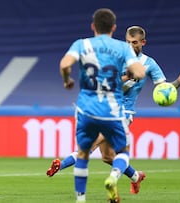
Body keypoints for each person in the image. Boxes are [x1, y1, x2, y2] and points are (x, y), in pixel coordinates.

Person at [48, 25, 180, 196]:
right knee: (107, 157)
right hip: (105, 108)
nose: (130, 45)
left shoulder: (149, 64)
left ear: (143, 42)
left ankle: (63, 165)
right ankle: (136, 177)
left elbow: (163, 88)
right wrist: (127, 76)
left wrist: (178, 82)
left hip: (123, 113)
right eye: (127, 42)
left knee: (91, 142)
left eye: (134, 42)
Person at [59, 8, 146, 203]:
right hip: (112, 110)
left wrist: (66, 81)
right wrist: (132, 73)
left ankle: (80, 200)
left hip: (86, 110)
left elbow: (65, 64)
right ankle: (114, 176)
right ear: (114, 28)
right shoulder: (123, 48)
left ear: (93, 26)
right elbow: (139, 72)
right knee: (122, 152)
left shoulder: (81, 44)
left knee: (83, 153)